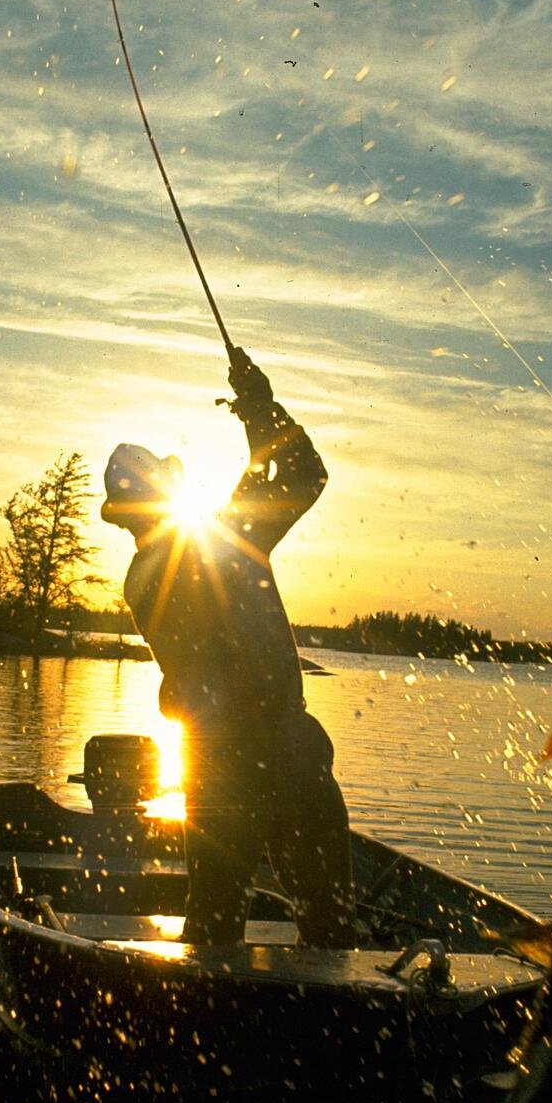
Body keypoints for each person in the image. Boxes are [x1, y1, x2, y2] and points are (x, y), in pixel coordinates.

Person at [100, 347, 356, 949]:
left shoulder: (157, 569)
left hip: (237, 762)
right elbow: (303, 477)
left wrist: (258, 413)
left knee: (214, 937)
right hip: (266, 759)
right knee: (328, 936)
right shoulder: (219, 542)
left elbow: (293, 481)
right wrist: (259, 410)